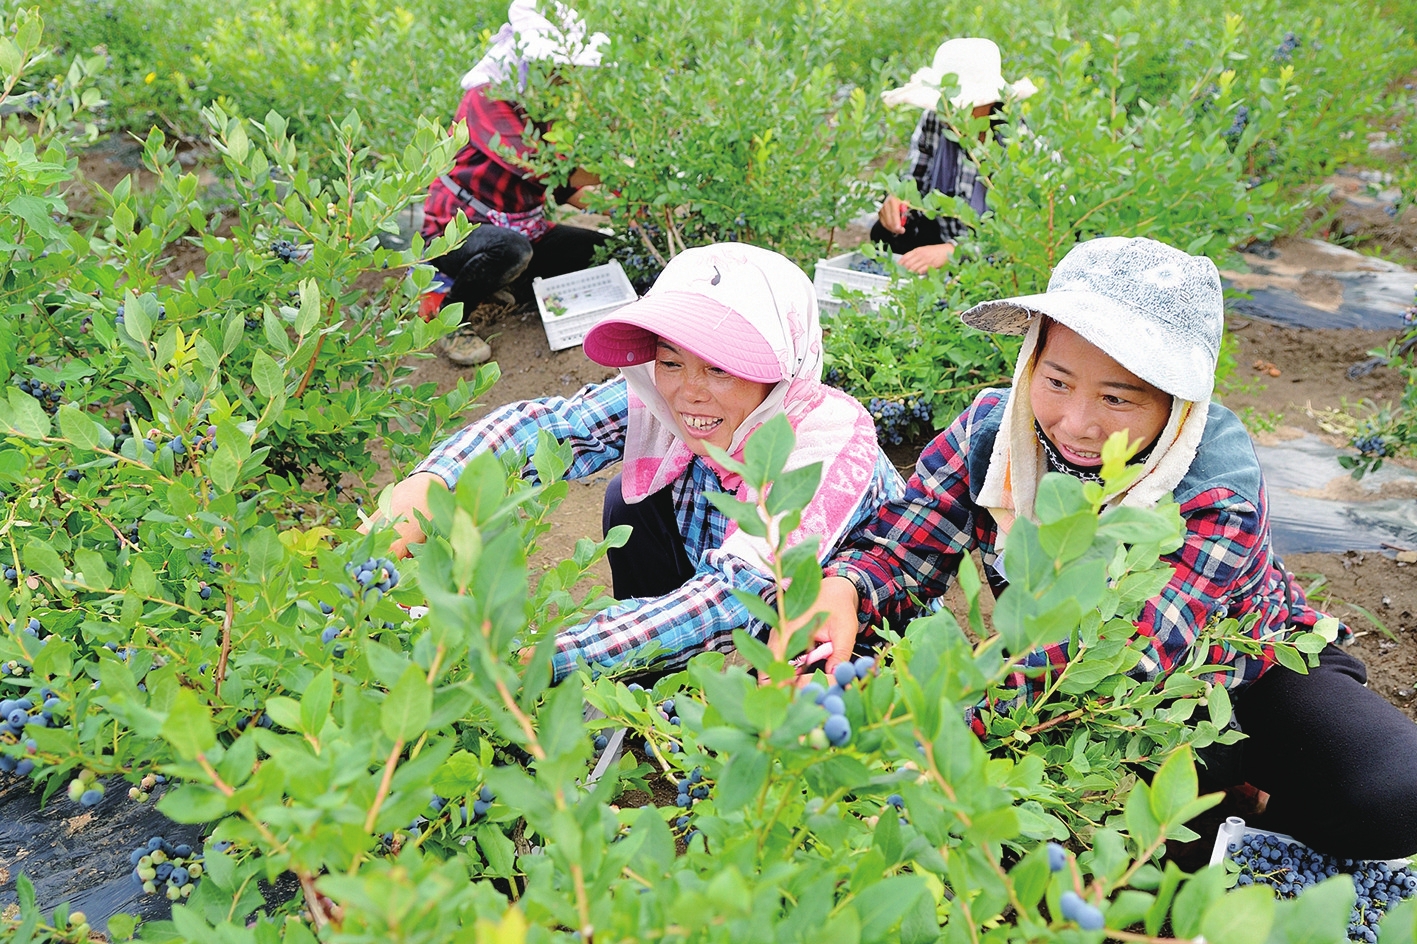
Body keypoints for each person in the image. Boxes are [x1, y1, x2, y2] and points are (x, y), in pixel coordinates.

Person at [791, 236, 1417, 859]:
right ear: (1032, 361)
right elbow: (903, 549)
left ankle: (1258, 812)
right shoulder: (998, 434)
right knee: (1109, 870)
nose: (1077, 422)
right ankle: (1201, 819)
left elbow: (1125, 649)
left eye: (1117, 397)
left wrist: (945, 738)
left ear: (1178, 401)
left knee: (1394, 793)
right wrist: (842, 588)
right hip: (1091, 711)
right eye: (1057, 380)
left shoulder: (1215, 484)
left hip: (1240, 679)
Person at [369, 243, 905, 680]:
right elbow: (554, 428)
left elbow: (734, 595)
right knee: (629, 501)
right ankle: (647, 677)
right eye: (671, 362)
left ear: (785, 369)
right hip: (721, 557)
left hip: (843, 611)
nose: (688, 393)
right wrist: (429, 486)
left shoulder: (823, 445)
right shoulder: (667, 397)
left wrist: (550, 656)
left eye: (721, 370)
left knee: (818, 688)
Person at [420, 0, 611, 366]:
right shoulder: (486, 98)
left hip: (523, 228)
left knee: (604, 252)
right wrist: (624, 175)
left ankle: (509, 286)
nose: (564, 77)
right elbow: (540, 167)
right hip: (456, 233)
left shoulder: (540, 110)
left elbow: (562, 188)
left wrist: (626, 205)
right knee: (510, 250)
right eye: (557, 68)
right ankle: (451, 320)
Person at [872, 37, 1035, 275]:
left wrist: (953, 252)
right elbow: (913, 181)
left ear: (991, 103)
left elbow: (1020, 237)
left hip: (991, 262)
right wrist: (897, 201)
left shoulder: (1014, 141)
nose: (950, 112)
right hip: (940, 232)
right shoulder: (935, 119)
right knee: (882, 232)